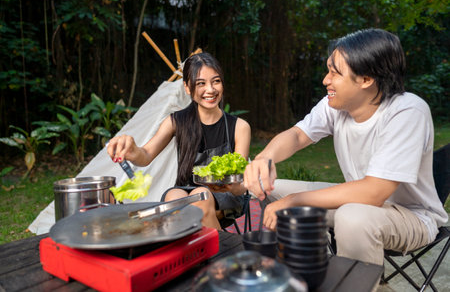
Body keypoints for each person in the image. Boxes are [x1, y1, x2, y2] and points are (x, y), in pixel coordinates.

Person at [243, 28, 448, 266]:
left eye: (335, 72)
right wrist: (264, 158)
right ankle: (307, 268)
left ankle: (362, 283)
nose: (325, 80)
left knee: (352, 217)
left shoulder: (407, 111)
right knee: (270, 188)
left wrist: (295, 200)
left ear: (366, 79)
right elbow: (298, 136)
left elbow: (374, 192)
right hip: (355, 202)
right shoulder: (335, 105)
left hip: (410, 216)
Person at [107, 52, 251, 230]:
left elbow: (240, 185)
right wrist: (131, 150)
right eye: (201, 83)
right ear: (187, 88)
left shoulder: (240, 126)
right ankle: (193, 252)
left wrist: (237, 185)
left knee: (201, 196)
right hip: (186, 188)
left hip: (227, 194)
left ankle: (220, 251)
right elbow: (145, 155)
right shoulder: (175, 121)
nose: (210, 90)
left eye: (216, 81)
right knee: (174, 197)